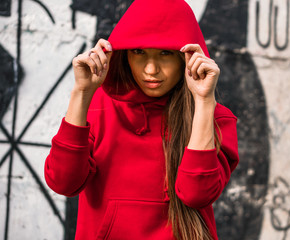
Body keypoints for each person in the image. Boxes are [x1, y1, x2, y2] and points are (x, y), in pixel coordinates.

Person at [44, 0, 239, 239]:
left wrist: (204, 102)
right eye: (138, 52)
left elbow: (196, 194)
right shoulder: (99, 107)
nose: (150, 69)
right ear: (124, 54)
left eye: (165, 53)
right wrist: (82, 93)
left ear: (186, 56)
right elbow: (63, 182)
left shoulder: (215, 117)